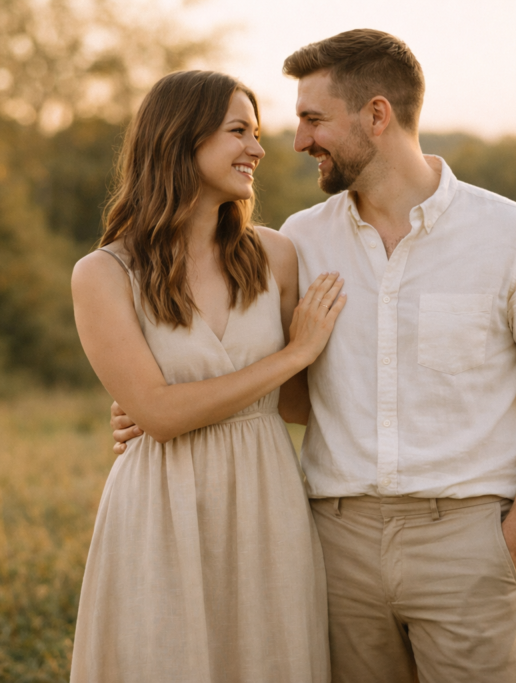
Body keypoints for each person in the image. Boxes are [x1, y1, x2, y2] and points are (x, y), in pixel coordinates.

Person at [112, 30, 516, 682]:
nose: (296, 141)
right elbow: (284, 387)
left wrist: (514, 540)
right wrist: (157, 402)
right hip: (332, 543)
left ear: (377, 115)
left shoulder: (514, 236)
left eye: (313, 119)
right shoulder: (298, 243)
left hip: (466, 540)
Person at [68, 70, 344, 683]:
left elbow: (294, 406)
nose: (258, 148)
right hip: (162, 507)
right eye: (238, 131)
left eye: (257, 132)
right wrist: (292, 355)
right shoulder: (104, 274)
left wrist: (198, 398)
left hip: (267, 502)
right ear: (178, 140)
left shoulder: (275, 255)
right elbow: (161, 416)